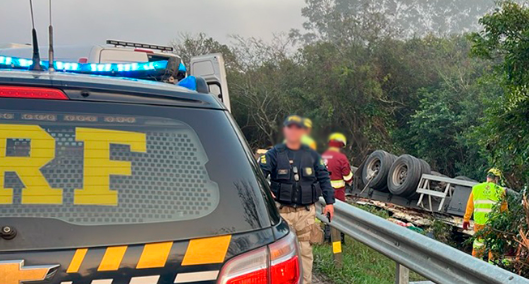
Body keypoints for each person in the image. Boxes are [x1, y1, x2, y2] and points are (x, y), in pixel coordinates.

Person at [260, 115, 335, 284]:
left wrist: (330, 203)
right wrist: (265, 189)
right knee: (280, 253)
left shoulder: (313, 155)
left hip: (305, 213)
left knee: (305, 251)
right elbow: (259, 174)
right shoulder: (273, 154)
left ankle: (305, 281)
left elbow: (324, 177)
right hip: (281, 213)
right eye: (290, 128)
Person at [463, 168, 508, 260]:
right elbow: (504, 210)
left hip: (479, 224)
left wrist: (466, 219)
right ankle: (491, 268)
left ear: (487, 177)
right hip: (494, 225)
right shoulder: (500, 190)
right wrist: (505, 225)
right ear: (496, 179)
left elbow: (469, 206)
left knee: (478, 245)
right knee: (494, 246)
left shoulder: (476, 188)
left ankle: (476, 264)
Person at [321, 133, 353, 202]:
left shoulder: (323, 155)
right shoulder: (341, 158)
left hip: (322, 190)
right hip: (337, 192)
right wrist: (350, 182)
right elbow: (347, 176)